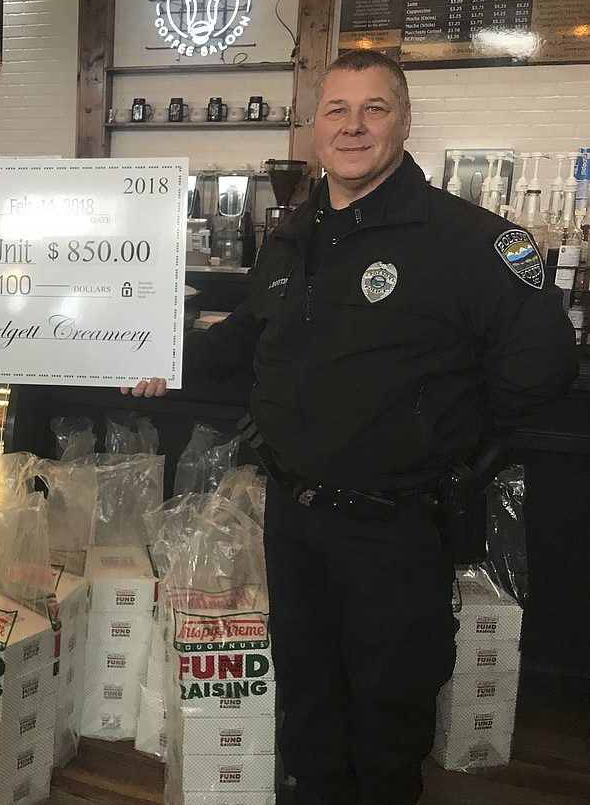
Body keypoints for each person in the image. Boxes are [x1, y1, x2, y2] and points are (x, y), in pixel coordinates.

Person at [127, 49, 576, 804]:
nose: (353, 125)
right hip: (292, 521)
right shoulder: (294, 234)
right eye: (336, 109)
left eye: (374, 108)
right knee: (306, 704)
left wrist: (449, 438)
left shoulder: (467, 240)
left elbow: (541, 368)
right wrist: (159, 358)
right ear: (314, 127)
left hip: (395, 532)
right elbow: (242, 340)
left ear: (405, 120)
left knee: (387, 720)